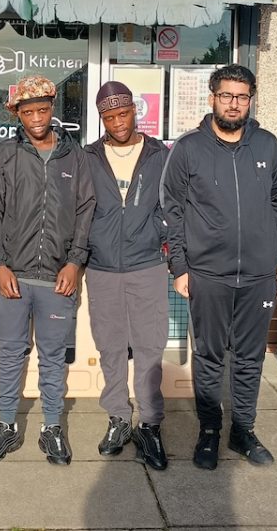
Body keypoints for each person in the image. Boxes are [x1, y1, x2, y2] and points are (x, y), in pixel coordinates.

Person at [161, 63, 277, 469]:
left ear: (251, 100)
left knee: (251, 357)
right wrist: (179, 267)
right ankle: (210, 432)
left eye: (242, 96)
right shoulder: (188, 149)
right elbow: (172, 211)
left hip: (258, 276)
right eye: (226, 95)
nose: (234, 104)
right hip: (208, 275)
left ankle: (243, 431)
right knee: (210, 356)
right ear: (212, 98)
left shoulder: (268, 146)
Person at [0, 75, 94, 466]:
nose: (37, 118)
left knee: (52, 355)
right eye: (28, 112)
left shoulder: (73, 157)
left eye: (43, 109)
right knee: (10, 353)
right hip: (13, 276)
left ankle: (51, 428)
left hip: (58, 278)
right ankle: (7, 426)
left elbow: (85, 211)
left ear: (52, 108)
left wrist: (76, 261)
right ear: (18, 115)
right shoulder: (4, 155)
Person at [83, 81, 170, 470]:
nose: (117, 122)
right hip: (101, 266)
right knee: (111, 346)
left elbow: (175, 203)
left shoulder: (159, 154)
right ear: (101, 118)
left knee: (150, 347)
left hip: (147, 264)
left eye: (123, 113)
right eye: (109, 116)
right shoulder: (88, 157)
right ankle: (119, 417)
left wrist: (161, 236)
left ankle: (150, 425)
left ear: (136, 111)